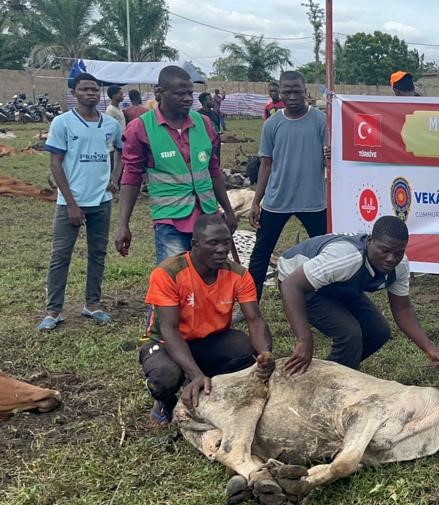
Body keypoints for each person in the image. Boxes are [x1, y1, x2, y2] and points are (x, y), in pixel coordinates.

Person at [140, 214, 272, 424]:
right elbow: (169, 330)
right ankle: (165, 402)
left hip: (210, 341)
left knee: (242, 348)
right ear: (195, 244)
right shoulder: (168, 273)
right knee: (164, 377)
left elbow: (255, 320)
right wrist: (195, 374)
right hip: (167, 343)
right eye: (213, 243)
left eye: (226, 242)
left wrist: (266, 355)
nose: (222, 249)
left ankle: (206, 384)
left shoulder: (238, 274)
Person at [277, 216, 439, 374]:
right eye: (385, 250)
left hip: (337, 283)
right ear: (371, 241)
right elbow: (291, 286)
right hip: (298, 283)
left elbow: (402, 309)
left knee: (379, 331)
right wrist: (304, 340)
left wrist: (429, 348)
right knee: (350, 334)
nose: (391, 258)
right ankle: (332, 379)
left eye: (398, 252)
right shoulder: (348, 257)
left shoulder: (400, 265)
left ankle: (337, 370)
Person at [116, 65, 238, 264]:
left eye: (190, 93)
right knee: (175, 280)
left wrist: (228, 211)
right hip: (170, 219)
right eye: (181, 94)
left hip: (207, 217)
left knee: (209, 280)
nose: (188, 98)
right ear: (160, 93)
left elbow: (213, 170)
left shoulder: (205, 124)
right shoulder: (140, 129)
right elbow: (131, 178)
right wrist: (123, 224)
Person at [38, 72, 123, 331]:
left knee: (97, 254)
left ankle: (92, 304)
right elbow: (55, 163)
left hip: (102, 200)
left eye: (95, 89)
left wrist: (115, 177)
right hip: (70, 202)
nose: (91, 93)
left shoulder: (110, 124)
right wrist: (72, 203)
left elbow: (121, 150)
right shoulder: (63, 123)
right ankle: (54, 310)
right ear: (74, 93)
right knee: (61, 255)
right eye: (85, 89)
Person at [248, 71, 328, 301]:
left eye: (297, 91)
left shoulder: (321, 121)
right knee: (261, 253)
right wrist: (256, 201)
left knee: (326, 253)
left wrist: (330, 154)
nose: (292, 96)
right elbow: (266, 164)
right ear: (280, 92)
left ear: (306, 92)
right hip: (276, 201)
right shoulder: (272, 124)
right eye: (287, 91)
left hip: (313, 202)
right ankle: (251, 303)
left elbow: (331, 159)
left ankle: (328, 301)